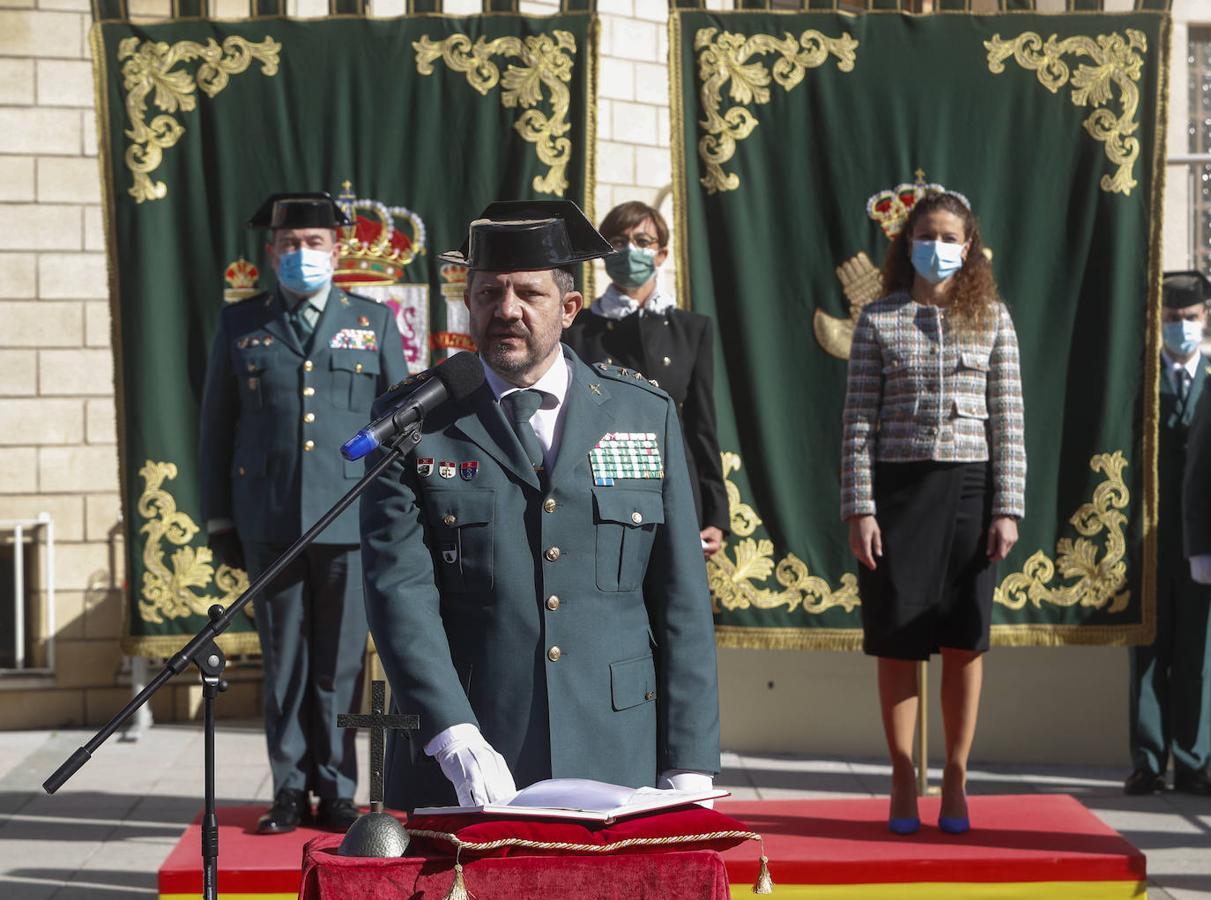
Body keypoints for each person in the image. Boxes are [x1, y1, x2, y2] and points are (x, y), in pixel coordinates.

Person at [360, 199, 721, 811]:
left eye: (530, 294)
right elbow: (399, 591)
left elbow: (681, 599)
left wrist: (688, 764)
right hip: (470, 752)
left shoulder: (642, 414)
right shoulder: (415, 421)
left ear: (570, 308)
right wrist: (451, 732)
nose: (507, 311)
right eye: (489, 294)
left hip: (615, 745)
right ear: (467, 304)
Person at [199, 193, 409, 833]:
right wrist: (220, 520)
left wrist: (397, 518)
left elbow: (398, 425)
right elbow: (217, 426)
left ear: (336, 251)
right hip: (270, 521)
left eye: (313, 244)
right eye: (289, 246)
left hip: (349, 520)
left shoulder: (371, 321)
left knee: (339, 667)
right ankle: (289, 789)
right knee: (284, 663)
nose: (301, 255)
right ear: (271, 254)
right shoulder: (243, 324)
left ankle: (338, 789)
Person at [840, 191, 1026, 835]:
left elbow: (1010, 421)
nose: (937, 247)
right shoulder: (878, 319)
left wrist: (1010, 508)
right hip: (898, 491)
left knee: (962, 638)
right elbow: (858, 420)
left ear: (969, 246)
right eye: (926, 235)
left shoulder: (993, 319)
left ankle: (957, 777)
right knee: (899, 638)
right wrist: (860, 508)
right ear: (907, 242)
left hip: (972, 492)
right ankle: (901, 776)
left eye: (950, 236)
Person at [562, 201, 728, 559]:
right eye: (619, 241)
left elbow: (702, 426)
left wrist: (716, 511)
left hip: (673, 483)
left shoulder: (691, 329)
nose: (630, 250)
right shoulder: (576, 330)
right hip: (599, 487)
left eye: (643, 240)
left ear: (662, 253)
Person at [1126, 269, 1211, 796]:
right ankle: (1147, 759)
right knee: (1147, 651)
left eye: (1191, 319)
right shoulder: (1138, 382)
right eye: (1173, 319)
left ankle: (1194, 758)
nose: (1181, 328)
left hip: (1201, 539)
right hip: (1148, 538)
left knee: (1200, 651)